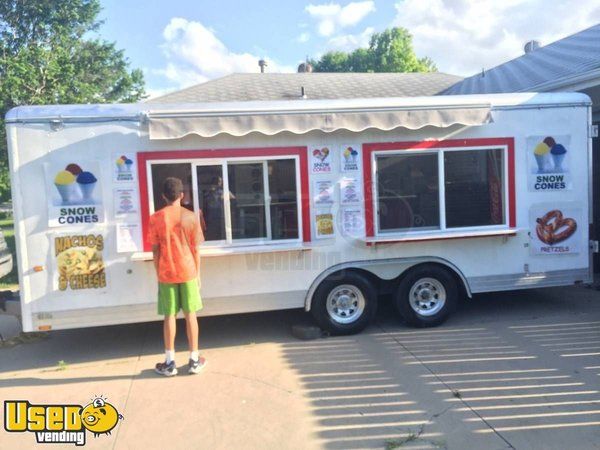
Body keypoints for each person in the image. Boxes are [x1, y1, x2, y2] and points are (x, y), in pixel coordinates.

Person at [148, 177, 206, 376]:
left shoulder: (156, 218)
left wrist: (158, 272)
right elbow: (196, 250)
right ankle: (194, 360)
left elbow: (155, 251)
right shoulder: (190, 217)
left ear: (163, 196)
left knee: (169, 315)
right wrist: (197, 274)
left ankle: (170, 362)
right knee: (191, 314)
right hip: (188, 271)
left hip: (166, 272)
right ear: (182, 195)